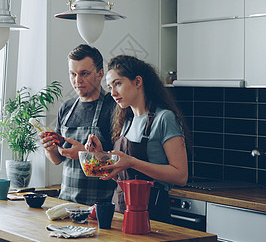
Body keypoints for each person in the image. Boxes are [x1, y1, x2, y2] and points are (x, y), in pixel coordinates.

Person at [86, 54, 189, 223]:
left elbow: (180, 176)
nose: (113, 93)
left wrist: (132, 162)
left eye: (118, 83)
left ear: (138, 82)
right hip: (120, 211)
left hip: (152, 216)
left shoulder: (164, 118)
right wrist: (102, 158)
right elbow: (123, 176)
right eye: (110, 87)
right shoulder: (126, 121)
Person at [39, 44, 117, 206]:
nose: (77, 80)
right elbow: (57, 160)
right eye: (72, 74)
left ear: (100, 74)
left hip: (101, 206)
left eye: (84, 74)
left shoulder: (114, 107)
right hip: (66, 202)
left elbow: (120, 162)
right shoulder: (66, 108)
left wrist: (83, 154)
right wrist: (50, 148)